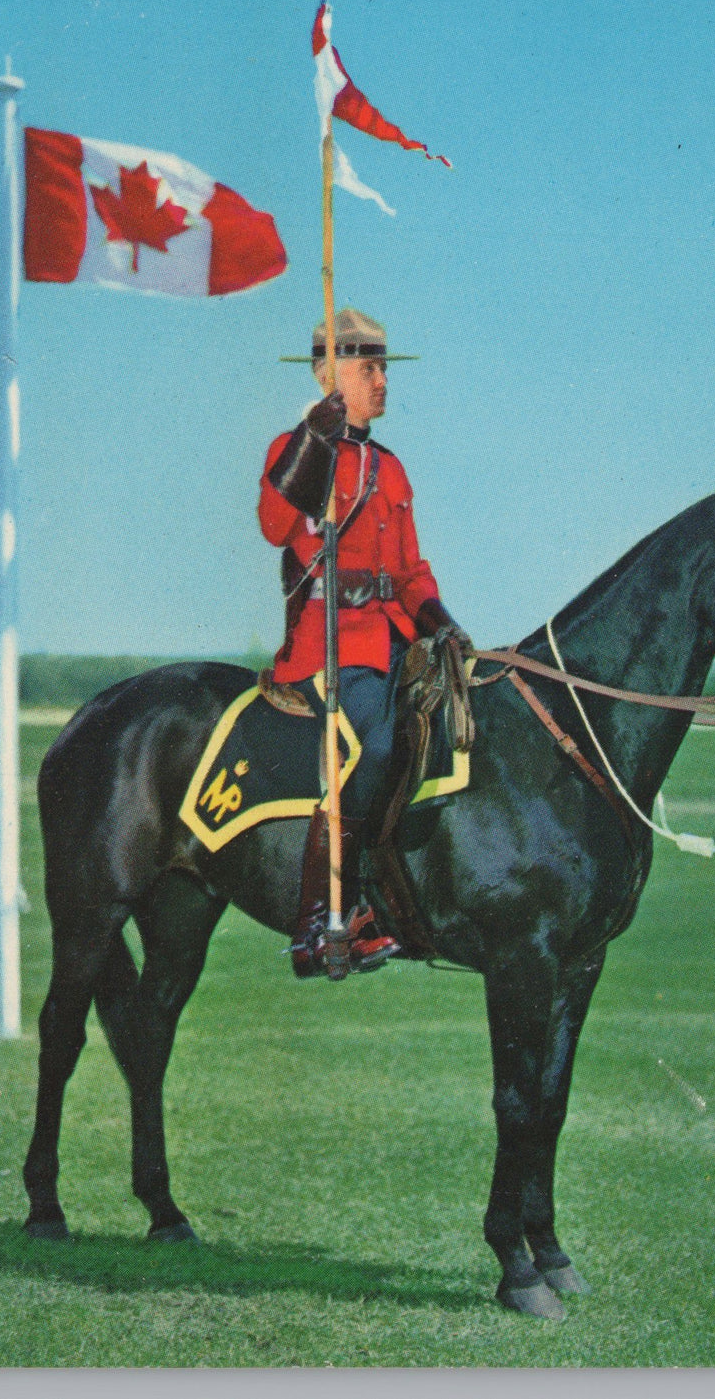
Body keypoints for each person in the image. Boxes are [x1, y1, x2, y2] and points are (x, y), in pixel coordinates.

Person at [259, 307, 471, 978]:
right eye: (369, 368)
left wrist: (440, 621)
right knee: (375, 742)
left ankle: (405, 895)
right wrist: (310, 442)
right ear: (329, 373)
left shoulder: (391, 469)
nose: (382, 381)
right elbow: (272, 525)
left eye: (383, 368)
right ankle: (327, 916)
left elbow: (409, 572)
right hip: (327, 645)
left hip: (393, 642)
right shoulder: (294, 451)